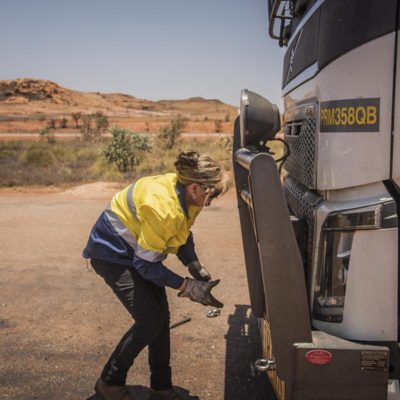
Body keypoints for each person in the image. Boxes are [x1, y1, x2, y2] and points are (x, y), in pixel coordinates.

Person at [83, 150, 225, 400]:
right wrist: (187, 286)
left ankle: (161, 387)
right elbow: (146, 266)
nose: (212, 198)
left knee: (161, 320)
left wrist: (194, 265)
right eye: (210, 192)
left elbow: (183, 233)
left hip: (139, 253)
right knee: (150, 321)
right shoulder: (164, 208)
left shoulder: (188, 195)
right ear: (194, 188)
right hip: (112, 254)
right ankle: (109, 382)